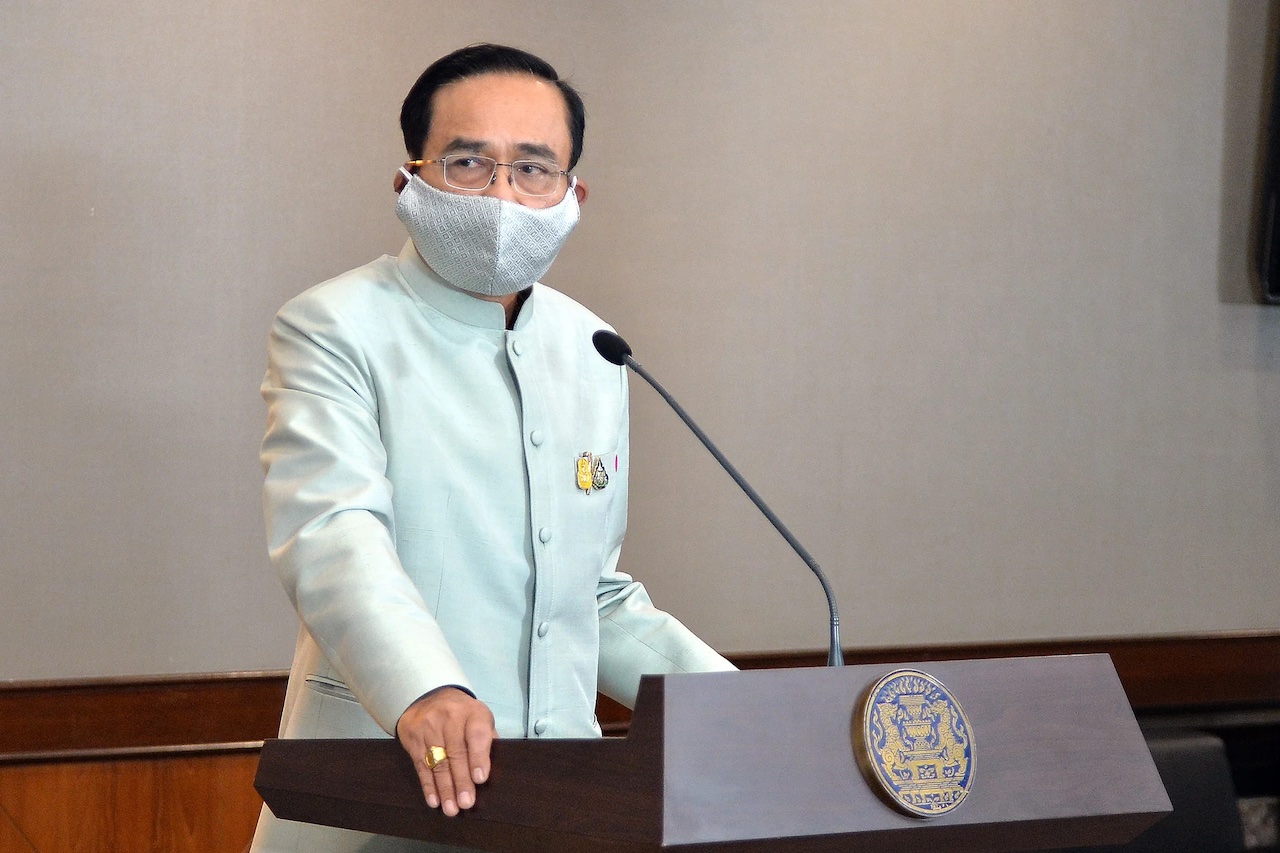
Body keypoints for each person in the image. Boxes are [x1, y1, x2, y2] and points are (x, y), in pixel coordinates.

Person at [249, 44, 735, 853]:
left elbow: (595, 596)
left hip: (563, 810)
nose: (504, 194)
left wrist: (744, 710)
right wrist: (427, 689)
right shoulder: (333, 326)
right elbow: (335, 538)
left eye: (534, 169)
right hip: (376, 797)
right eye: (469, 161)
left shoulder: (594, 347)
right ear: (411, 178)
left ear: (574, 194)